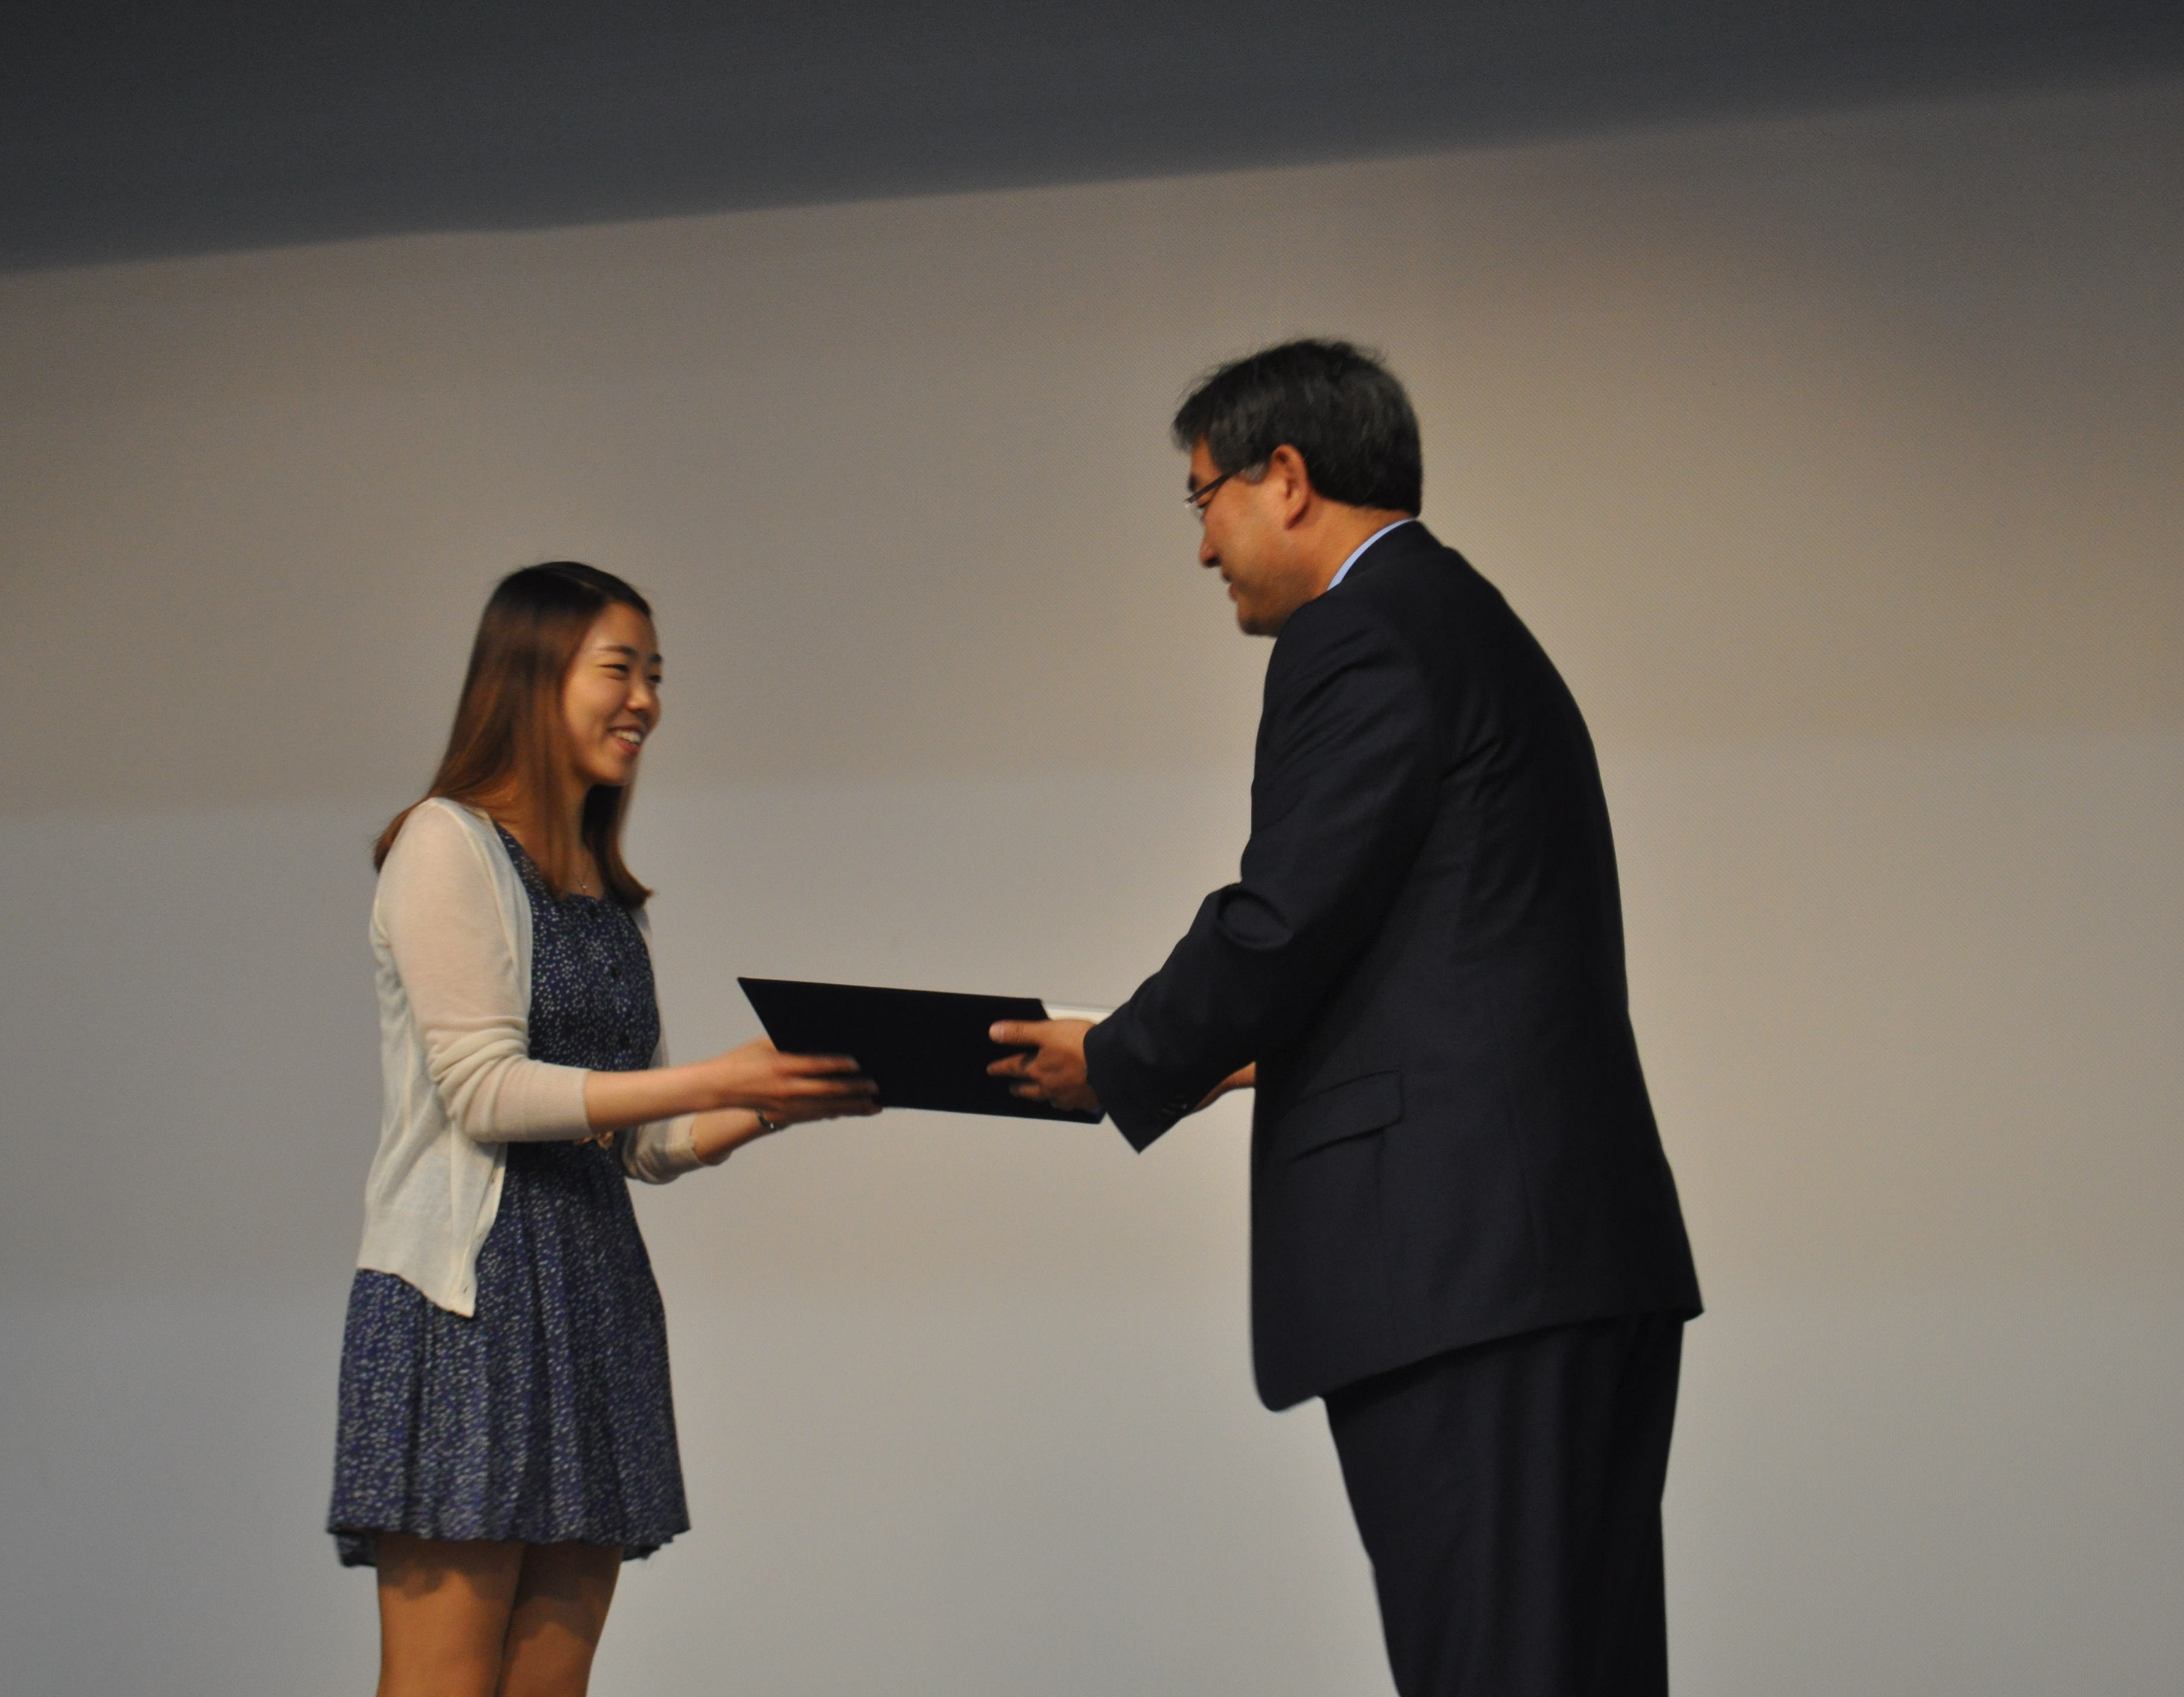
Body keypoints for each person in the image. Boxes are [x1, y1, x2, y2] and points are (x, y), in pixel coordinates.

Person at [989, 340, 1701, 1696]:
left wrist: (1122, 1058)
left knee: (1493, 1667)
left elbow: (1286, 911)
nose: (1202, 546)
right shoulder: (1463, 619)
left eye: (1202, 498)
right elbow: (1446, 950)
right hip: (1557, 1255)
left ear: (1288, 478)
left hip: (1464, 1272)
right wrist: (1242, 1056)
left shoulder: (1358, 631)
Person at [328, 562, 878, 1697]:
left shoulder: (599, 888)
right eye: (619, 670)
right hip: (466, 1300)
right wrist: (702, 1079)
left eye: (656, 677)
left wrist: (767, 1101)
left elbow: (633, 1146)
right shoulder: (447, 843)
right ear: (531, 678)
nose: (645, 703)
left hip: (592, 1296)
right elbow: (486, 1092)